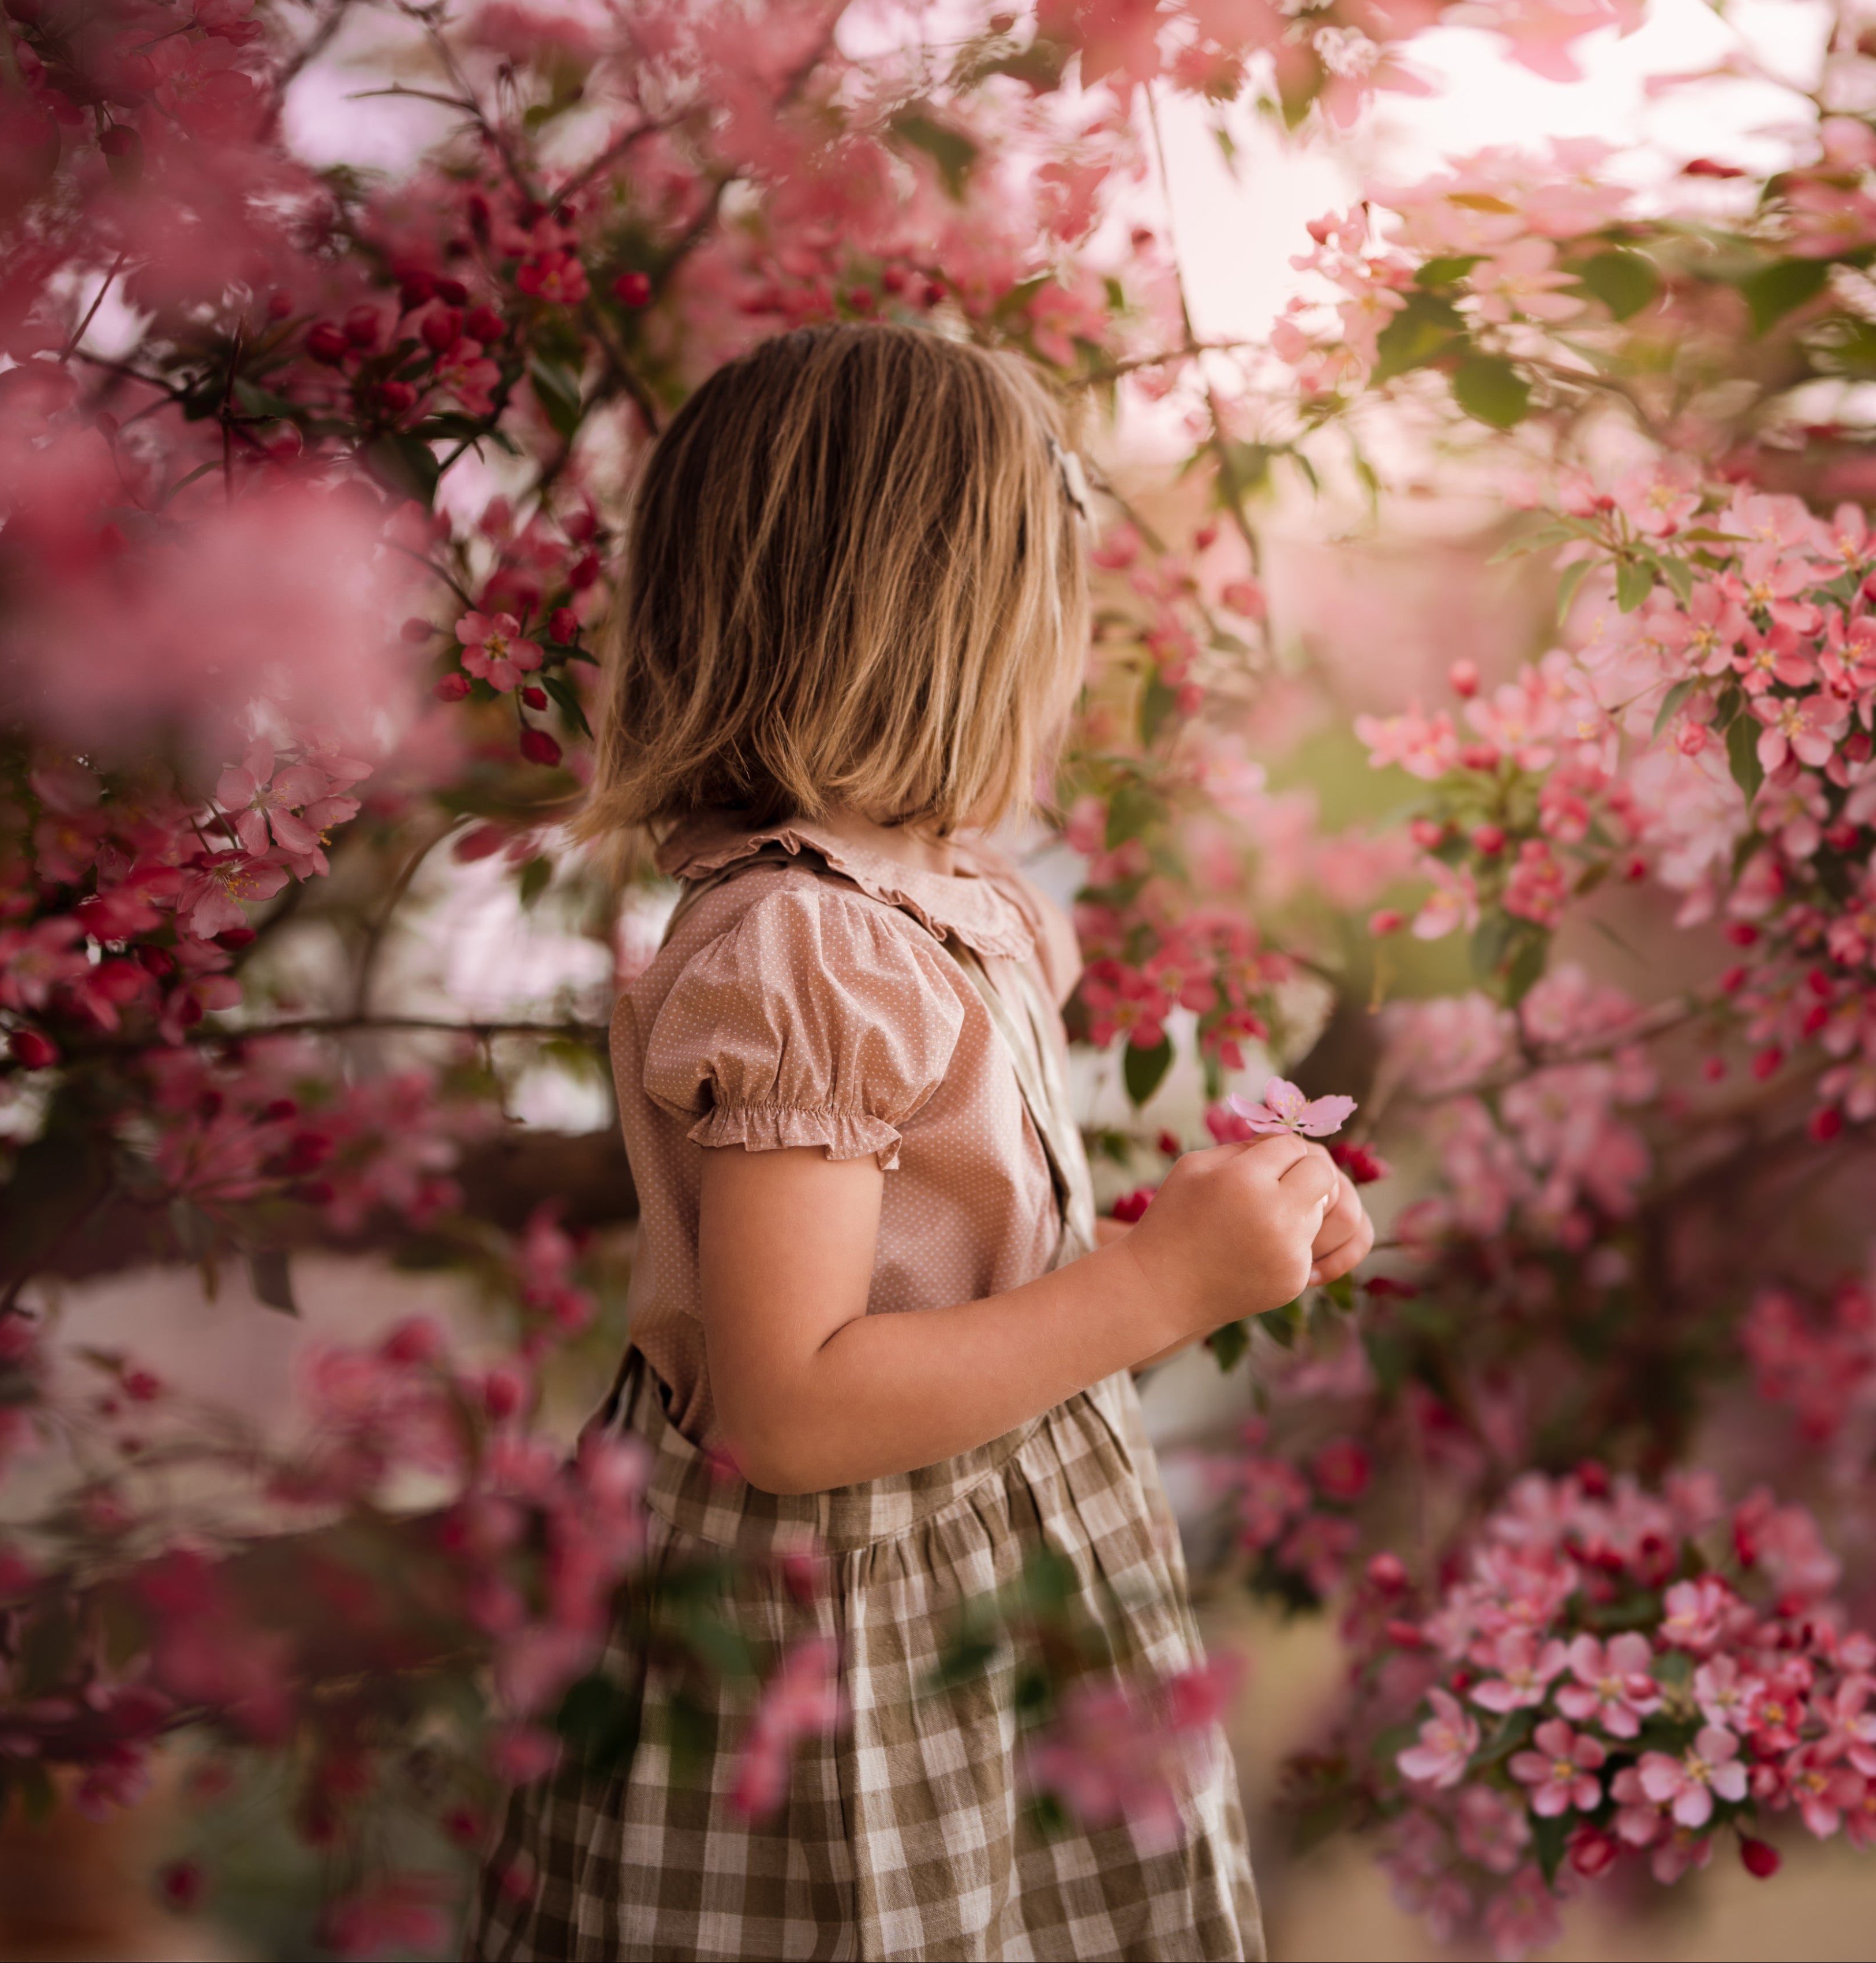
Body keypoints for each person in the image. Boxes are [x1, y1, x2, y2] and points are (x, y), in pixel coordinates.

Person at [469, 322, 1373, 1962]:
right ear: (941, 630)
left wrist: (1212, 1232)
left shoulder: (944, 904)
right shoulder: (804, 949)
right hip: (850, 1641)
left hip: (985, 1575)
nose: (1062, 666)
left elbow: (954, 1253)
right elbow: (796, 1405)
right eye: (1047, 618)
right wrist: (1164, 1285)